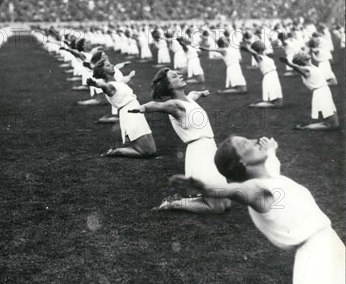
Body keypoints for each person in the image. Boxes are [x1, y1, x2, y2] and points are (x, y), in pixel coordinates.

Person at [170, 135, 344, 284]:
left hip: (330, 251)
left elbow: (271, 167)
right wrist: (204, 187)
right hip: (319, 263)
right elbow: (235, 191)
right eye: (245, 144)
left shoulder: (270, 177)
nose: (253, 140)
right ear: (241, 164)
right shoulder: (257, 190)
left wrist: (271, 149)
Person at [130, 68, 230, 213]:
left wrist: (201, 93)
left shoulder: (188, 99)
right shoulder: (174, 105)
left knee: (226, 204)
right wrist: (142, 108)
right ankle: (175, 204)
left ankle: (185, 200)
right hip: (199, 153)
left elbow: (194, 94)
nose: (180, 76)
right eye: (175, 76)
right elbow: (157, 105)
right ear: (169, 85)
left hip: (210, 148)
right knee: (217, 208)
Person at [86, 60, 156, 158]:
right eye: (108, 65)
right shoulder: (109, 86)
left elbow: (125, 79)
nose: (112, 65)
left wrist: (131, 76)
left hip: (136, 112)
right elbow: (103, 86)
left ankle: (131, 145)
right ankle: (117, 151)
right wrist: (94, 84)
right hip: (129, 115)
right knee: (146, 153)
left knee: (152, 150)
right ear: (103, 72)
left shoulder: (117, 82)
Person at [280, 53, 339, 130]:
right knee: (332, 126)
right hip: (321, 95)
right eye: (303, 54)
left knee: (334, 123)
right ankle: (304, 128)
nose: (306, 53)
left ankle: (305, 126)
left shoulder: (312, 67)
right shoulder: (305, 70)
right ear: (302, 60)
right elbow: (297, 68)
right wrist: (289, 64)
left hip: (325, 92)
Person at [241, 41, 283, 108]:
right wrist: (247, 47)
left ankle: (259, 104)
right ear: (258, 48)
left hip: (274, 76)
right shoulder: (258, 57)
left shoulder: (265, 55)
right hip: (269, 77)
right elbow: (253, 53)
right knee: (276, 104)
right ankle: (255, 106)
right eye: (260, 44)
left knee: (279, 103)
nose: (263, 44)